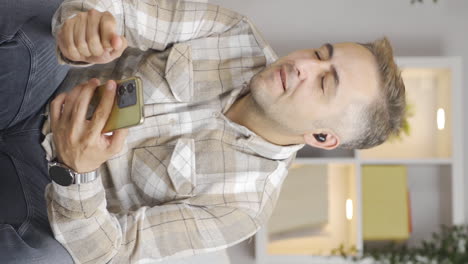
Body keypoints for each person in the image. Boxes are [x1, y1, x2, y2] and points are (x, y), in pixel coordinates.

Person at [42, 0, 406, 263]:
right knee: (32, 27)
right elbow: (119, 12)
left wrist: (77, 173)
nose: (303, 65)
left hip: (48, 186)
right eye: (319, 53)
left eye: (324, 82)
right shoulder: (234, 30)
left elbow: (112, 251)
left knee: (41, 259)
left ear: (322, 138)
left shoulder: (243, 209)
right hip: (45, 88)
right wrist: (84, 28)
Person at [0, 0, 75, 263]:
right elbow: (126, 16)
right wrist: (87, 36)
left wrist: (81, 173)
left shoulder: (212, 211)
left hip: (61, 195)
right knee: (51, 17)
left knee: (48, 260)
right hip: (47, 91)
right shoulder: (210, 24)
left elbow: (117, 247)